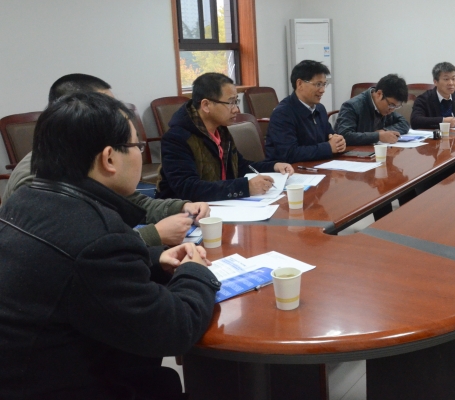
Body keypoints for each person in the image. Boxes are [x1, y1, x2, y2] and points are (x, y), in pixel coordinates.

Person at [0, 92, 219, 399]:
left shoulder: (24, 200)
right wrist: (195, 271)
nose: (140, 154)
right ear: (109, 158)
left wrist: (154, 258)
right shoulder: (96, 237)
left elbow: (73, 271)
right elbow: (174, 330)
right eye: (137, 146)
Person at [2, 73, 210, 247]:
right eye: (105, 106)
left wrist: (180, 207)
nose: (116, 114)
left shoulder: (87, 158)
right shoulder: (38, 177)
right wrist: (152, 235)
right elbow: (74, 246)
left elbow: (131, 203)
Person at [157, 72, 293, 202]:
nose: (236, 109)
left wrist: (274, 166)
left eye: (236, 101)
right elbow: (188, 188)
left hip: (220, 205)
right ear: (206, 105)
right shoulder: (177, 138)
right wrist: (244, 187)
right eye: (231, 103)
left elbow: (239, 166)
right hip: (183, 212)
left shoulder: (221, 130)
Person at [265, 60, 346, 163]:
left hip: (316, 165)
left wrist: (339, 142)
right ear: (300, 84)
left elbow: (330, 136)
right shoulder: (282, 113)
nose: (322, 90)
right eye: (318, 84)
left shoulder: (320, 109)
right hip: (289, 169)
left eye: (324, 84)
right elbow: (289, 153)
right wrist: (328, 147)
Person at [334, 74, 410, 145]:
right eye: (391, 105)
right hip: (353, 152)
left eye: (396, 107)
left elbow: (404, 123)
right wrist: (377, 136)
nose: (392, 110)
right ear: (379, 94)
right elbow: (344, 135)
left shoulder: (386, 109)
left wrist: (384, 131)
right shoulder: (352, 106)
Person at [410, 62, 455, 129]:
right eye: (446, 79)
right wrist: (443, 121)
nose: (451, 83)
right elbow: (415, 121)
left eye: (453, 79)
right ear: (435, 82)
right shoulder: (424, 99)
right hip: (434, 138)